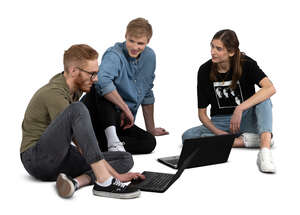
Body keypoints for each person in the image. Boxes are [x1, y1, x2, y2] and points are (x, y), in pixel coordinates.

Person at [20, 44, 145, 199]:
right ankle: (105, 182)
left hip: (62, 157)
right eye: (92, 74)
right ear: (73, 71)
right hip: (37, 159)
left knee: (124, 158)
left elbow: (86, 149)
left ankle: (77, 182)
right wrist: (115, 176)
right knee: (78, 109)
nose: (96, 78)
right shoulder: (54, 94)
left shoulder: (75, 88)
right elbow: (80, 144)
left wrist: (118, 175)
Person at [182, 29, 276, 173]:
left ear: (231, 52)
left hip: (245, 119)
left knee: (264, 99)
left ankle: (264, 152)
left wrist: (240, 109)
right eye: (212, 46)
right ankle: (257, 139)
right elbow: (202, 114)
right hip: (220, 122)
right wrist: (218, 132)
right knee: (188, 137)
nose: (213, 52)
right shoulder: (204, 70)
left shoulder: (246, 64)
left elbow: (270, 88)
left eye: (218, 48)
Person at [81, 18, 168, 154]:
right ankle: (108, 140)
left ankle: (102, 144)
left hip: (120, 121)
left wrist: (151, 129)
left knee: (149, 142)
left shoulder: (150, 57)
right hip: (97, 115)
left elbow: (147, 92)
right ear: (125, 36)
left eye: (140, 43)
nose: (134, 47)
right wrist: (125, 108)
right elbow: (102, 82)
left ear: (148, 41)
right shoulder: (114, 55)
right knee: (99, 88)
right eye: (131, 41)